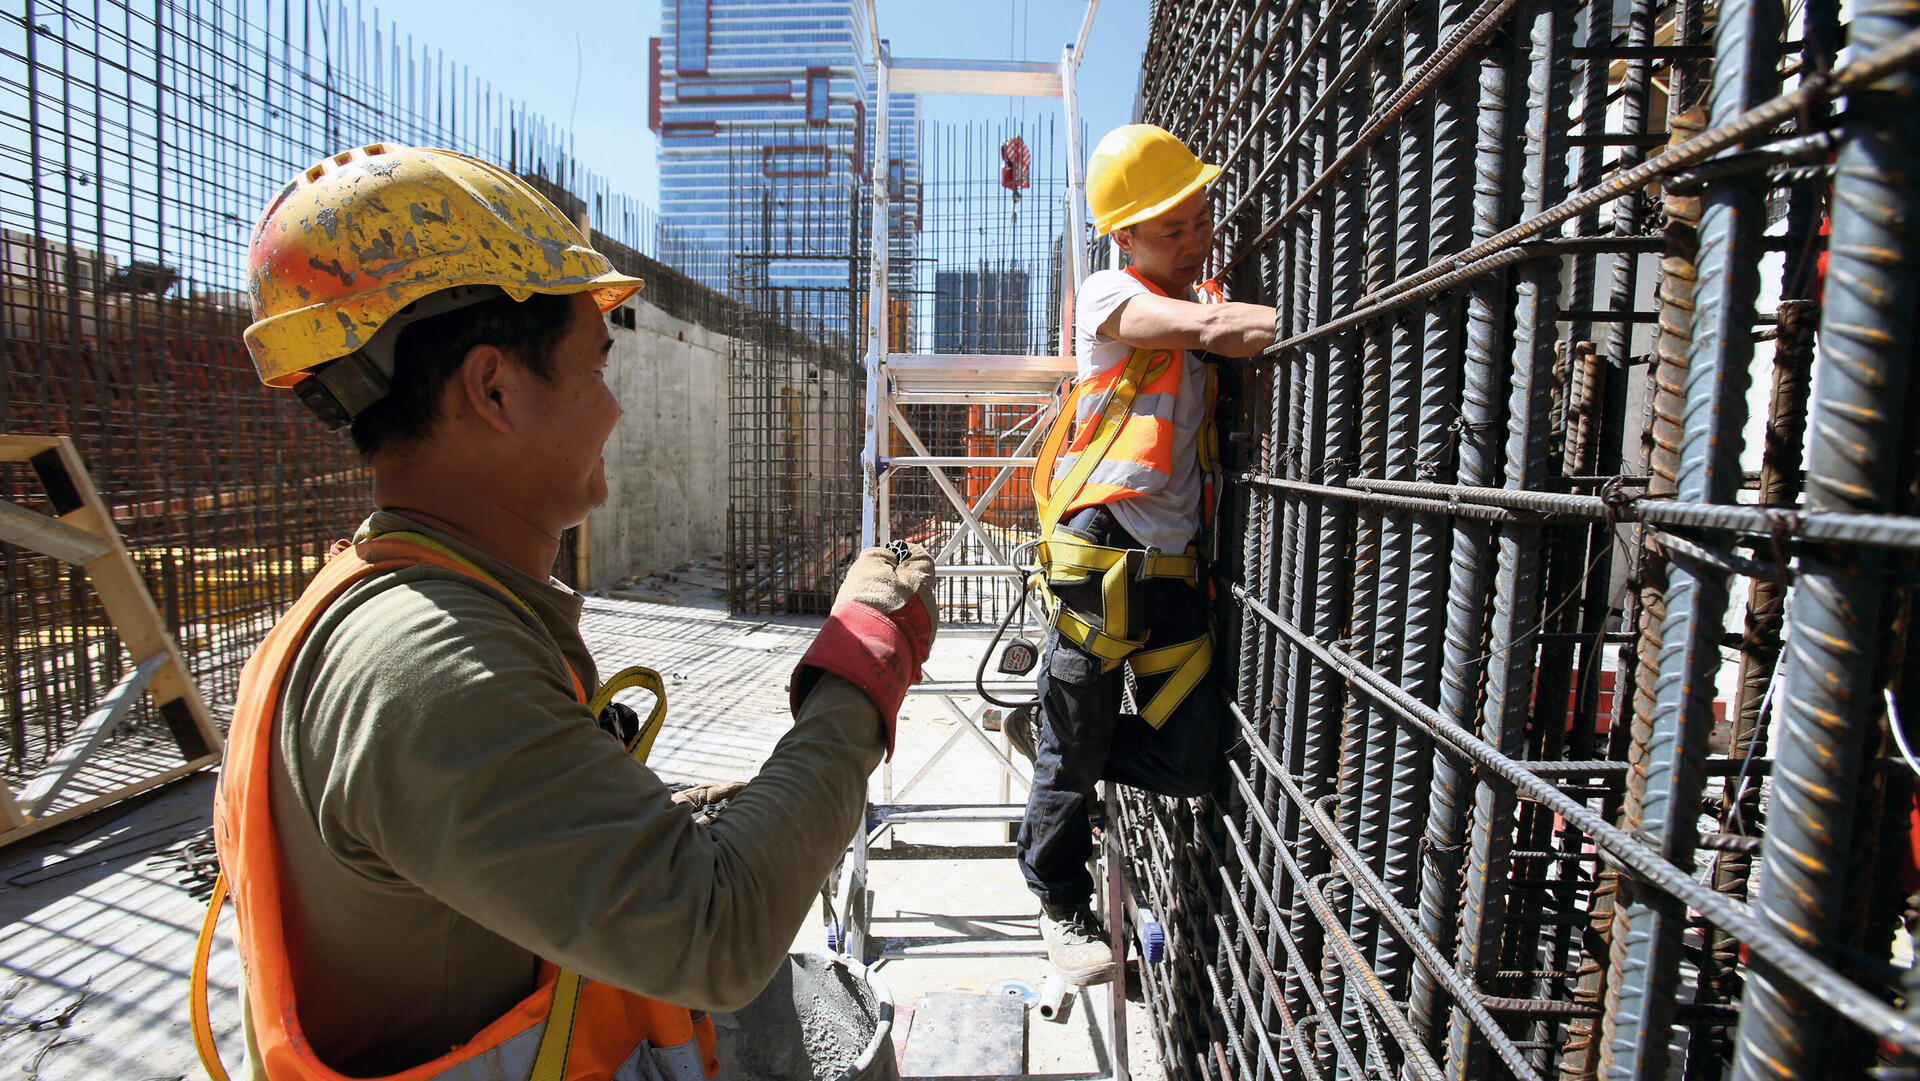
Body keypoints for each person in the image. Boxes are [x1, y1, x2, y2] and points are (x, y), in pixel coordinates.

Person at [194, 143, 936, 1081]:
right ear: (494, 388)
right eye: (595, 366)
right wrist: (865, 656)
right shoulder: (427, 664)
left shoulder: (402, 600)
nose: (615, 409)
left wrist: (638, 813)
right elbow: (717, 935)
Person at [1014, 125, 1277, 985]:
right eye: (1173, 227)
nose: (1196, 237)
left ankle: (1058, 745)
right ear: (1123, 235)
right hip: (1102, 565)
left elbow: (1204, 324)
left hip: (1172, 577)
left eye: (1200, 218)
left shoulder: (1194, 294)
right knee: (1074, 745)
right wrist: (1276, 320)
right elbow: (1197, 327)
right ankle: (1059, 904)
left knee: (1190, 756)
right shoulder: (1107, 296)